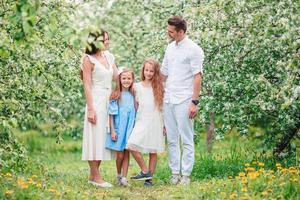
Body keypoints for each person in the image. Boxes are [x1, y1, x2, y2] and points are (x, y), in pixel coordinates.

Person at [161, 16, 204, 185]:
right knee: (171, 139)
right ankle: (174, 173)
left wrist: (194, 102)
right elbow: (163, 73)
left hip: (185, 99)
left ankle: (186, 175)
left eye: (171, 31)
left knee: (186, 138)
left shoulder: (194, 49)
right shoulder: (170, 48)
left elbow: (197, 77)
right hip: (169, 98)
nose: (168, 33)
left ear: (181, 31)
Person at [81, 30, 118, 188]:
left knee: (103, 137)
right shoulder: (88, 59)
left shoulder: (109, 57)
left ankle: (93, 175)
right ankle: (96, 177)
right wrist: (90, 109)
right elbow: (87, 84)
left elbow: (117, 77)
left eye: (108, 39)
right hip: (95, 100)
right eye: (105, 40)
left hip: (108, 101)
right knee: (94, 137)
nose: (108, 42)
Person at [126, 59, 165, 187]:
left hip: (155, 121)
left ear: (155, 72)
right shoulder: (136, 86)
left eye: (151, 71)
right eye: (146, 70)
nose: (148, 73)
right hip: (142, 120)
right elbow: (135, 106)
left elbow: (163, 107)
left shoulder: (159, 87)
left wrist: (165, 125)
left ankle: (149, 181)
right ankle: (145, 170)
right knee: (131, 145)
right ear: (143, 70)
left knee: (152, 151)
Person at [105, 67, 136, 187]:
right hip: (119, 128)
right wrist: (112, 130)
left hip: (129, 128)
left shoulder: (133, 94)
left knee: (127, 152)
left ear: (132, 80)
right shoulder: (116, 94)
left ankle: (124, 177)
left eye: (129, 78)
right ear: (120, 79)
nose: (126, 81)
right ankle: (118, 174)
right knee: (120, 154)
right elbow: (111, 115)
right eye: (124, 78)